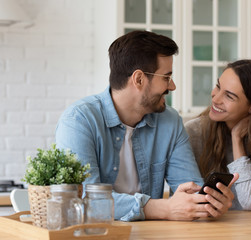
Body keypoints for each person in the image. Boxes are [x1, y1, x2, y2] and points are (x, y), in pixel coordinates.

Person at [55, 30, 237, 222]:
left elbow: (190, 187)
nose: (172, 86)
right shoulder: (78, 121)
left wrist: (207, 202)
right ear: (139, 79)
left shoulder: (170, 121)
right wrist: (162, 208)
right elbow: (83, 200)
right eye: (166, 77)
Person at [185, 59, 251, 210]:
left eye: (229, 96)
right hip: (208, 227)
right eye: (218, 86)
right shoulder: (194, 133)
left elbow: (249, 201)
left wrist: (237, 139)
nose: (215, 98)